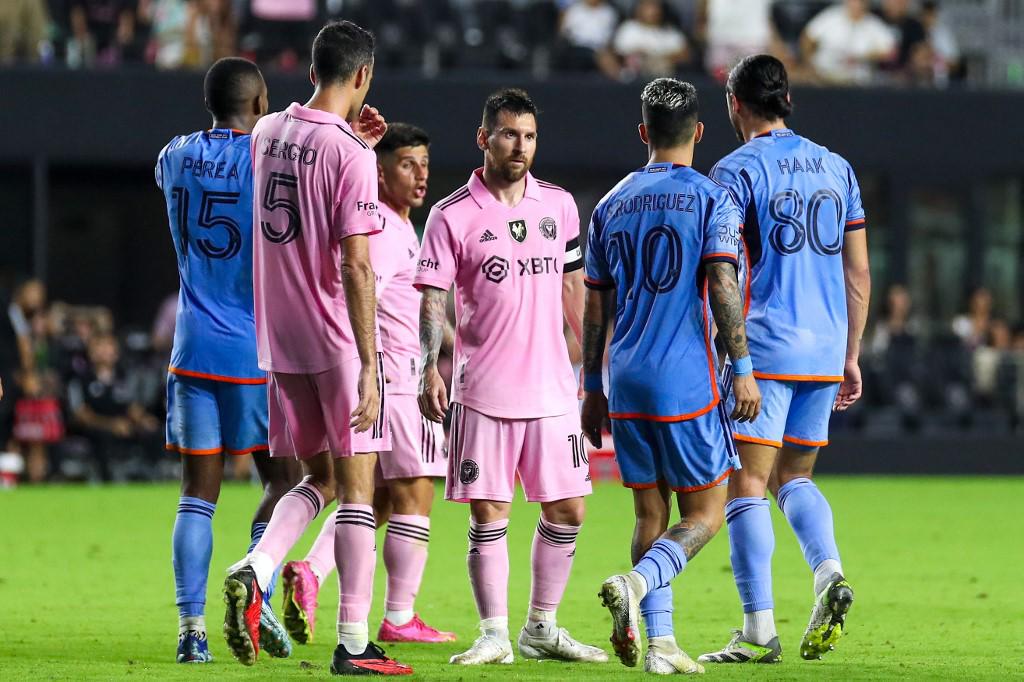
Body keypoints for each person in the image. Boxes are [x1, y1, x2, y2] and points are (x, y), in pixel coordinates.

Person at [219, 21, 412, 676]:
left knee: (317, 479)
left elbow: (296, 193)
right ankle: (354, 644)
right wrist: (370, 367)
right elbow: (358, 267)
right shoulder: (352, 156)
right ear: (363, 77)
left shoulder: (268, 130)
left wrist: (354, 143)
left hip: (279, 337)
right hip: (336, 338)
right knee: (359, 492)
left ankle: (257, 566)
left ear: (311, 71)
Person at [416, 88, 607, 666]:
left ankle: (541, 627)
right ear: (484, 139)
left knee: (569, 508)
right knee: (489, 511)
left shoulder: (560, 206)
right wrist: (429, 366)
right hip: (485, 391)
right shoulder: (453, 214)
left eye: (527, 136)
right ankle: (494, 632)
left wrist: (593, 369)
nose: (519, 145)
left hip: (552, 389)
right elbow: (432, 300)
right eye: (507, 134)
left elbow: (574, 287)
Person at [582, 77, 760, 674]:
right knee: (706, 514)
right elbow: (722, 284)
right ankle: (637, 584)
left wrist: (591, 387)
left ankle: (660, 644)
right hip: (685, 376)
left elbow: (594, 306)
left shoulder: (609, 203)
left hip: (626, 376)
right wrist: (742, 367)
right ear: (700, 133)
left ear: (643, 133)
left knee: (648, 517)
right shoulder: (712, 199)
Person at [698, 54, 871, 664]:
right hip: (824, 350)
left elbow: (722, 266)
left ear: (734, 105)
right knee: (794, 479)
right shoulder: (838, 166)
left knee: (747, 485)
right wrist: (851, 352)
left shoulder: (734, 170)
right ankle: (828, 573)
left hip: (765, 349)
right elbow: (858, 271)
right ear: (787, 99)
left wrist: (736, 361)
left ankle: (757, 630)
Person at [280, 123, 455, 646]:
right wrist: (375, 369)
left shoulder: (401, 226)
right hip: (394, 376)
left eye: (424, 163)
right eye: (408, 164)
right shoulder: (379, 223)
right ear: (379, 171)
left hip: (388, 372)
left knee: (372, 498)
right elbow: (364, 292)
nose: (421, 174)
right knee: (417, 489)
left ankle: (311, 571)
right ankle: (397, 616)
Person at [154, 56, 301, 664]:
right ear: (261, 99)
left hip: (191, 349)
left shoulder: (173, 155)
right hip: (256, 354)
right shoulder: (270, 161)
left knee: (197, 496)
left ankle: (192, 633)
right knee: (287, 482)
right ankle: (257, 594)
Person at [800, 0, 895, 85]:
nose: (856, 4)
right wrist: (809, 65)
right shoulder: (831, 16)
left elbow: (890, 52)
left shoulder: (874, 25)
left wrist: (862, 57)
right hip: (823, 77)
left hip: (857, 82)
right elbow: (807, 38)